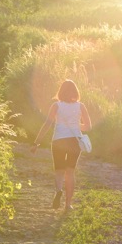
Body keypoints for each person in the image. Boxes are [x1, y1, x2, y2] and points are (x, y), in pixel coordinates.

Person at [31, 80, 92, 211]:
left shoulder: (56, 105)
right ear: (75, 92)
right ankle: (68, 204)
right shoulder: (81, 106)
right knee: (70, 172)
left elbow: (47, 124)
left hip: (58, 140)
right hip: (74, 141)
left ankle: (58, 191)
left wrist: (36, 142)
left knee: (59, 171)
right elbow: (88, 126)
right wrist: (76, 125)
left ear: (61, 92)